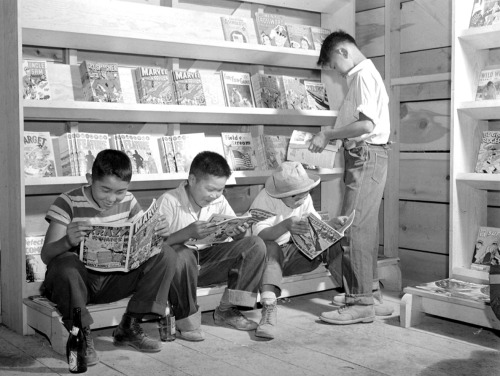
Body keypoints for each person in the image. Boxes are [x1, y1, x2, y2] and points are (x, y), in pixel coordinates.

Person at [40, 149, 178, 366]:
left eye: (120, 191)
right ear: (89, 179)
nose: (112, 199)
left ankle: (130, 325)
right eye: (105, 189)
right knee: (65, 264)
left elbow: (142, 237)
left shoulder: (129, 201)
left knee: (166, 253)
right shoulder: (67, 202)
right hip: (77, 286)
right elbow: (46, 256)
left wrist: (160, 232)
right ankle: (81, 334)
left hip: (115, 280)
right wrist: (67, 241)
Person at [308, 30, 393, 324]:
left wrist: (329, 133)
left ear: (343, 52)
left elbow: (365, 124)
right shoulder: (362, 75)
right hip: (368, 155)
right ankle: (369, 293)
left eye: (332, 63)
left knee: (353, 226)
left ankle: (360, 302)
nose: (333, 70)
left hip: (366, 153)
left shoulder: (361, 75)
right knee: (364, 226)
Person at [157, 151, 268, 341]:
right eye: (210, 189)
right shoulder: (168, 201)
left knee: (255, 245)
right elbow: (153, 249)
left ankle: (228, 310)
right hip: (179, 271)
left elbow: (239, 240)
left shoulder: (219, 200)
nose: (215, 195)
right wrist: (186, 234)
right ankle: (187, 321)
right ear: (192, 180)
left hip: (209, 263)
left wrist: (239, 231)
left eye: (220, 189)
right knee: (181, 253)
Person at [249, 161, 348, 339]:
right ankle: (269, 308)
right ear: (280, 194)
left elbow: (315, 225)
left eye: (305, 194)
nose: (301, 200)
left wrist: (331, 225)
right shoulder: (264, 199)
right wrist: (286, 225)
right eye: (295, 197)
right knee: (269, 246)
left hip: (296, 255)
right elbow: (260, 238)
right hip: (267, 262)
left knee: (332, 241)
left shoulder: (303, 197)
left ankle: (354, 296)